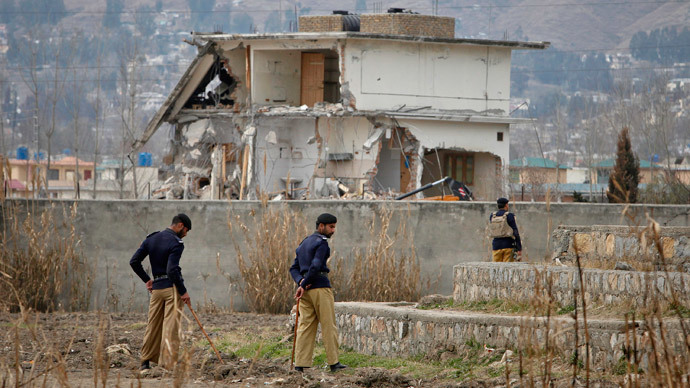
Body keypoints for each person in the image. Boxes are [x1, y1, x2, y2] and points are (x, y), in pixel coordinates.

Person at [130, 213, 192, 371]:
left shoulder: (151, 239)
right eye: (186, 230)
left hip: (156, 289)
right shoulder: (177, 243)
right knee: (171, 326)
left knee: (153, 325)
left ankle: (145, 362)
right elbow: (172, 269)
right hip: (171, 289)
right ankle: (168, 363)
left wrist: (147, 280)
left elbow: (134, 261)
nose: (185, 234)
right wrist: (183, 291)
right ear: (179, 225)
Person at [289, 213, 347, 373]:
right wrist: (306, 282)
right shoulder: (322, 244)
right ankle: (334, 363)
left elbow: (293, 268)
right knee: (328, 325)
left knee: (305, 326)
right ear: (321, 226)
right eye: (331, 227)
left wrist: (301, 282)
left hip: (306, 292)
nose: (333, 230)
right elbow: (315, 266)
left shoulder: (304, 243)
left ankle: (300, 363)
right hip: (320, 288)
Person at [489, 198, 522, 262]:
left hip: (496, 246)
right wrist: (519, 248)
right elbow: (515, 232)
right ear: (506, 205)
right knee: (507, 268)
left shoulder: (492, 216)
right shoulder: (509, 216)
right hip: (508, 245)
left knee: (496, 268)